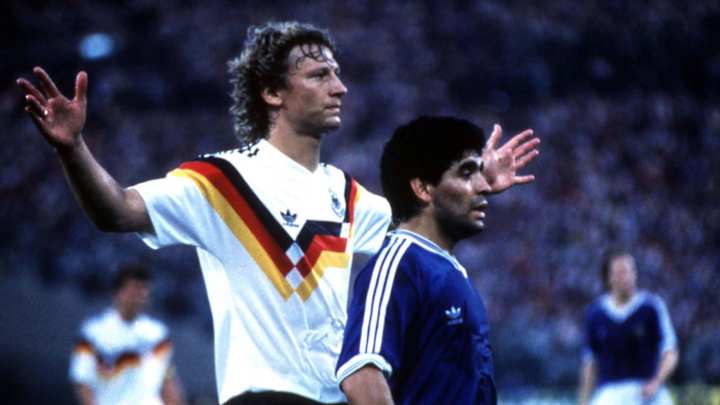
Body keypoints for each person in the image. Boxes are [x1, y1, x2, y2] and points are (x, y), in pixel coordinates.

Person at [18, 21, 537, 405]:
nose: (340, 87)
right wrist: (73, 149)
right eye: (319, 75)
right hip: (263, 398)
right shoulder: (221, 180)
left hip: (334, 397)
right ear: (271, 92)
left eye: (338, 74)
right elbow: (117, 210)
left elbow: (421, 231)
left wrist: (476, 184)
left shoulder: (349, 196)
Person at [336, 116, 539, 405]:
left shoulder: (443, 266)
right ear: (423, 189)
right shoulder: (399, 265)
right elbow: (361, 376)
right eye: (467, 173)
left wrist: (474, 180)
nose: (483, 186)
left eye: (480, 173)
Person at [69, 264, 185, 405]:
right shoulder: (94, 332)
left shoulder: (157, 334)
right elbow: (82, 380)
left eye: (144, 289)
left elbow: (167, 378)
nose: (140, 294)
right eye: (135, 288)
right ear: (118, 292)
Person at [578, 250, 679, 405]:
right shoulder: (595, 314)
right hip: (611, 393)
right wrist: (583, 400)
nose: (627, 277)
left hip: (647, 391)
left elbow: (670, 351)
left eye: (630, 271)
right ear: (608, 278)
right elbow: (590, 363)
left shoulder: (651, 307)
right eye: (620, 272)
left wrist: (657, 381)